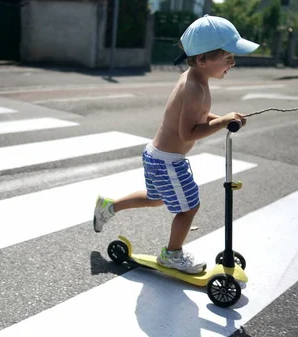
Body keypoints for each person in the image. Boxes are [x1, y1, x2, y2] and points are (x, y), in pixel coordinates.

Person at [93, 15, 259, 274]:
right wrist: (223, 120)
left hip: (157, 156)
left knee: (155, 198)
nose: (233, 63)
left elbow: (198, 117)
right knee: (189, 207)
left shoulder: (195, 78)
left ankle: (109, 206)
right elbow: (188, 132)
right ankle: (171, 254)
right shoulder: (194, 88)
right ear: (203, 59)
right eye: (228, 58)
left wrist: (224, 120)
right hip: (168, 160)